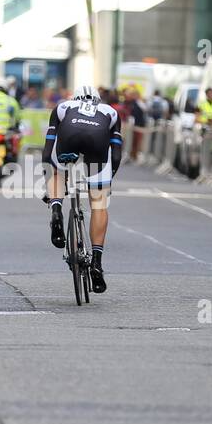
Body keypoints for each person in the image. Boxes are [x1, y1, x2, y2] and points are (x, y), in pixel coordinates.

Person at [43, 84, 122, 294]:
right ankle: (96, 261)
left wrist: (50, 181)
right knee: (99, 204)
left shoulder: (63, 107)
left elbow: (48, 147)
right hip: (97, 144)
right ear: (97, 100)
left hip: (69, 138)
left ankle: (57, 212)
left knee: (58, 173)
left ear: (75, 98)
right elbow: (115, 156)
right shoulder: (110, 112)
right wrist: (106, 181)